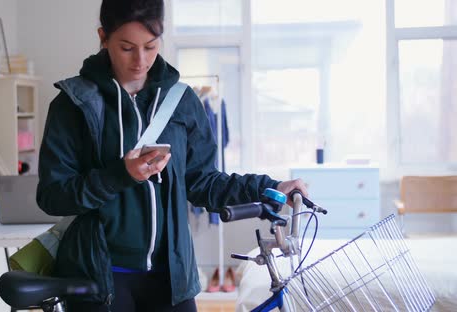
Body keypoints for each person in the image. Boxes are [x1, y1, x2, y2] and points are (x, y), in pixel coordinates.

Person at [36, 0, 308, 311]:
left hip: (170, 278)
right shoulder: (74, 103)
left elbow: (203, 182)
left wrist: (269, 187)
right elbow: (52, 196)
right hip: (99, 279)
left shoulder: (182, 101)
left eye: (150, 46)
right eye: (127, 48)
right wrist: (120, 175)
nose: (141, 60)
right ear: (103, 37)